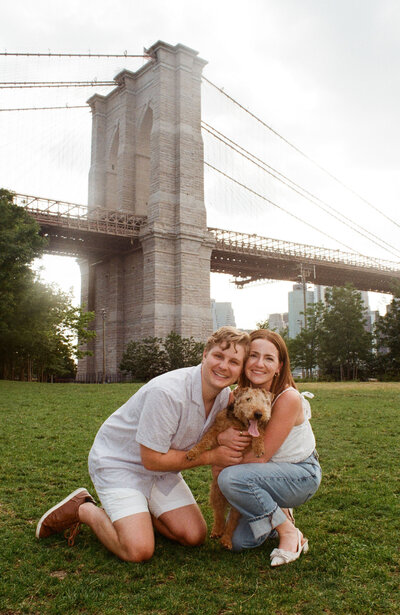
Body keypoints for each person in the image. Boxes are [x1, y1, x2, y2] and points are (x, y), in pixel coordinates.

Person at [36, 326, 250, 562]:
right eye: (218, 356)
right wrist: (212, 456)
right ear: (204, 355)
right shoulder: (167, 392)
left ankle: (137, 511)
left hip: (162, 470)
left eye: (234, 362)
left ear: (240, 370)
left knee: (193, 535)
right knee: (139, 551)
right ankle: (84, 509)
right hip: (120, 464)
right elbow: (152, 459)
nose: (223, 366)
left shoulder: (224, 396)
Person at [216, 329, 321, 567]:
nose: (259, 364)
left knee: (230, 478)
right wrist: (222, 438)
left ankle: (288, 532)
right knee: (238, 541)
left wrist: (220, 460)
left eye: (269, 358)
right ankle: (279, 512)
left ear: (279, 366)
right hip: (267, 476)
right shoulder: (239, 395)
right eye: (253, 356)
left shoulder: (288, 398)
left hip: (300, 474)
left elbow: (258, 458)